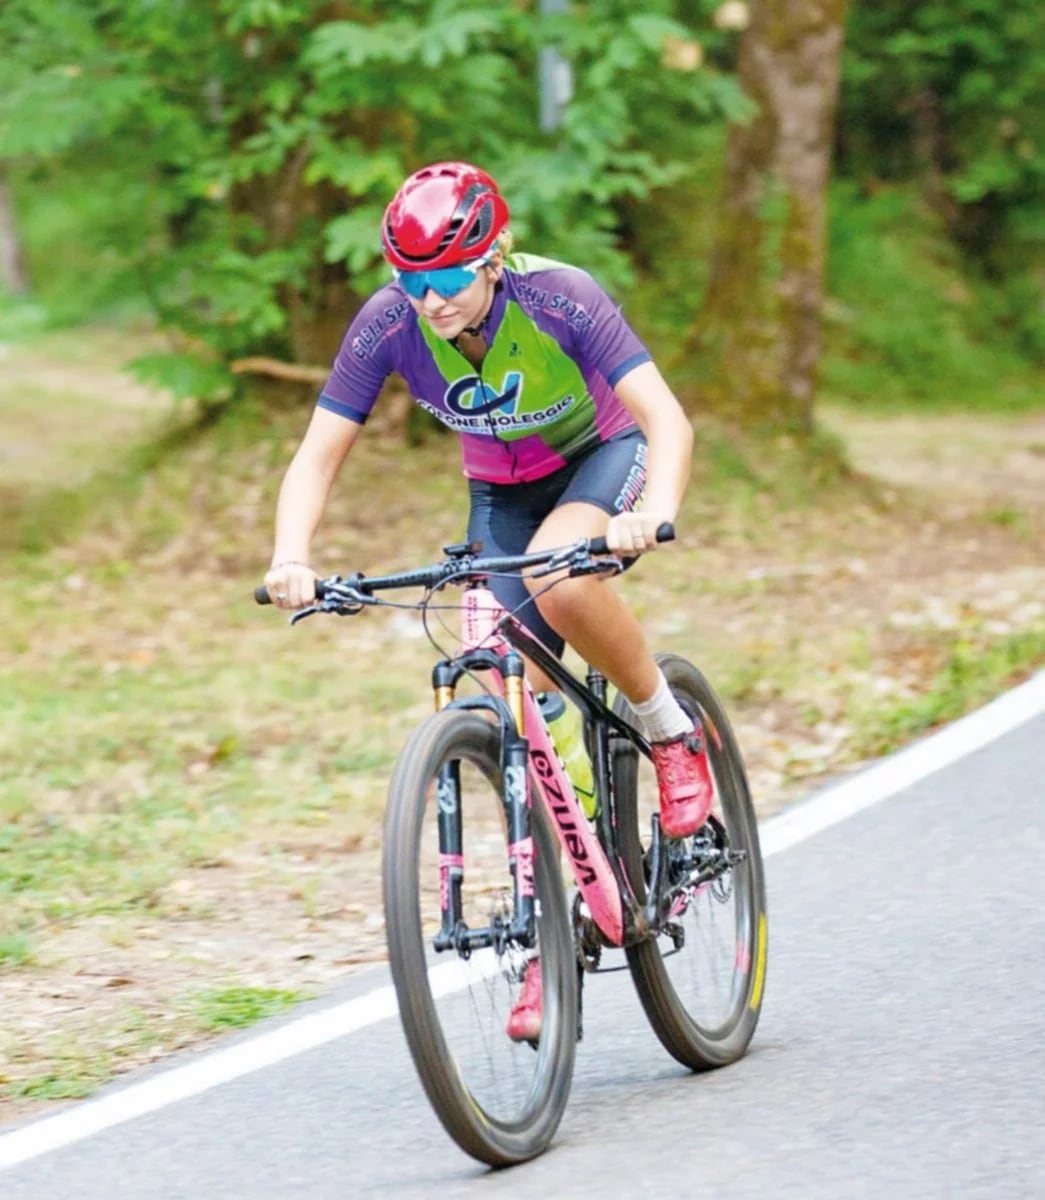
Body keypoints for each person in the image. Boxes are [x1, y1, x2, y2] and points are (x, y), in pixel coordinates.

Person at [264, 161, 714, 1043]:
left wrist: (654, 511)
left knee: (557, 573)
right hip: (498, 495)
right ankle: (561, 917)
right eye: (408, 280)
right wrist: (291, 557)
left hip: (597, 458)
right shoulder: (388, 323)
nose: (426, 300)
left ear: (493, 258)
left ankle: (667, 729)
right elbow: (316, 455)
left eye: (444, 279)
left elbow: (666, 420)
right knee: (503, 692)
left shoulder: (561, 298)